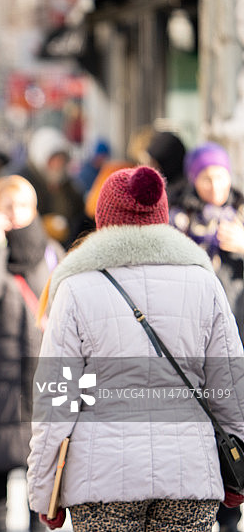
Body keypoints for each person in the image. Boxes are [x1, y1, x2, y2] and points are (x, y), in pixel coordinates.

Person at [27, 166, 244, 531]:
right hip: (189, 475)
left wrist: (43, 489)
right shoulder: (203, 281)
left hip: (101, 480)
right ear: (161, 217)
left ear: (104, 220)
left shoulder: (76, 289)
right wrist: (238, 465)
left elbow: (57, 399)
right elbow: (231, 386)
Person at [0, 175, 62, 532]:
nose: (16, 214)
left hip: (42, 369)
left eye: (23, 206)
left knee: (40, 474)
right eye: (8, 206)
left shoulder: (51, 252)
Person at [170, 142, 244, 532]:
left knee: (235, 425)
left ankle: (231, 513)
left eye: (221, 175)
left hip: (240, 334)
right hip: (194, 342)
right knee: (207, 426)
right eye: (206, 176)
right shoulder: (178, 218)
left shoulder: (242, 215)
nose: (215, 184)